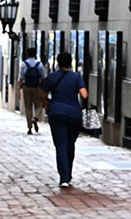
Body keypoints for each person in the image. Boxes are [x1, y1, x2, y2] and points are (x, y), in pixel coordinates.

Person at [42, 52, 88, 188]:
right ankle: (69, 173)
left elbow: (43, 94)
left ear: (57, 63)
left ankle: (64, 177)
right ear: (70, 63)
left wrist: (46, 104)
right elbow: (84, 94)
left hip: (56, 112)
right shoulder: (76, 77)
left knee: (60, 145)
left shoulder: (52, 77)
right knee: (70, 144)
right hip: (74, 114)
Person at [19, 47, 46, 134]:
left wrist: (19, 89)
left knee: (28, 108)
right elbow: (43, 77)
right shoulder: (39, 64)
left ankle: (29, 127)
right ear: (35, 54)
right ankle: (35, 117)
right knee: (39, 106)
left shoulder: (24, 64)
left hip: (26, 87)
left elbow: (21, 78)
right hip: (36, 87)